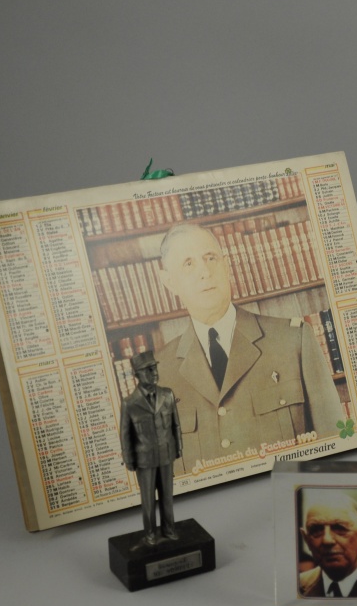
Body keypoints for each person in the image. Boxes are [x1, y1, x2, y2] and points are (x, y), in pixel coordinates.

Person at [153, 223, 343, 470]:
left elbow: (335, 449)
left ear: (226, 266)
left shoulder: (293, 340)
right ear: (169, 281)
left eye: (210, 258)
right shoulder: (159, 374)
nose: (205, 272)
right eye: (188, 264)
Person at [118, 351, 183, 547]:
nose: (154, 372)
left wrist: (179, 447)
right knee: (148, 499)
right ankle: (150, 534)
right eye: (148, 370)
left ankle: (169, 529)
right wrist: (129, 460)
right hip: (144, 459)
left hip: (166, 453)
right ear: (136, 375)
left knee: (167, 496)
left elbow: (176, 424)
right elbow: (125, 435)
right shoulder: (130, 404)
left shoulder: (167, 395)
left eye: (154, 368)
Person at [298, 489, 357, 598]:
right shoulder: (296, 587)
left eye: (340, 528)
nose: (327, 540)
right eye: (316, 530)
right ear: (306, 540)